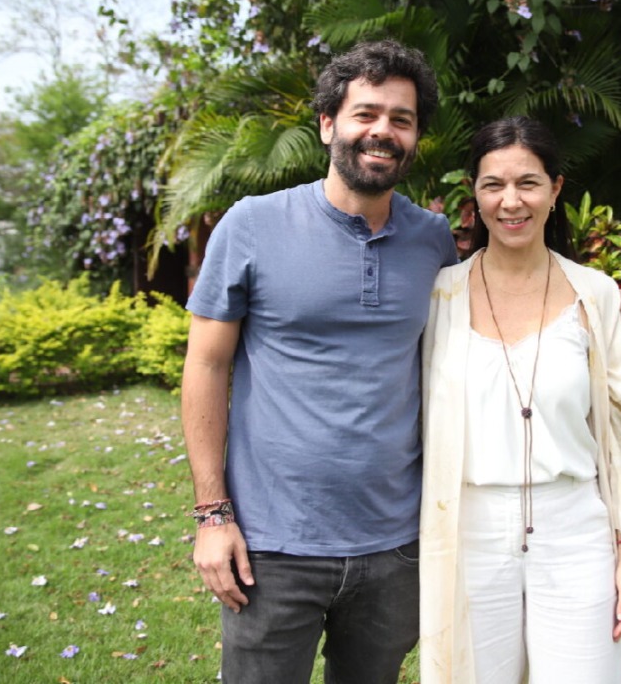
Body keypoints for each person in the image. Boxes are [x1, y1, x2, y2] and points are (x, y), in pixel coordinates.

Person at [180, 39, 458, 684]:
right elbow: (206, 368)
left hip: (396, 544)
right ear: (329, 123)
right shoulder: (250, 226)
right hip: (272, 547)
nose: (382, 131)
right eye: (366, 113)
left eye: (401, 119)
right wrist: (211, 515)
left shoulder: (433, 241)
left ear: (415, 138)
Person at [419, 116, 621, 683]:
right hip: (468, 529)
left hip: (574, 526)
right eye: (493, 184)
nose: (510, 201)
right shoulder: (439, 295)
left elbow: (618, 435)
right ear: (473, 193)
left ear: (556, 189)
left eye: (528, 182)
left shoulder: (594, 294)